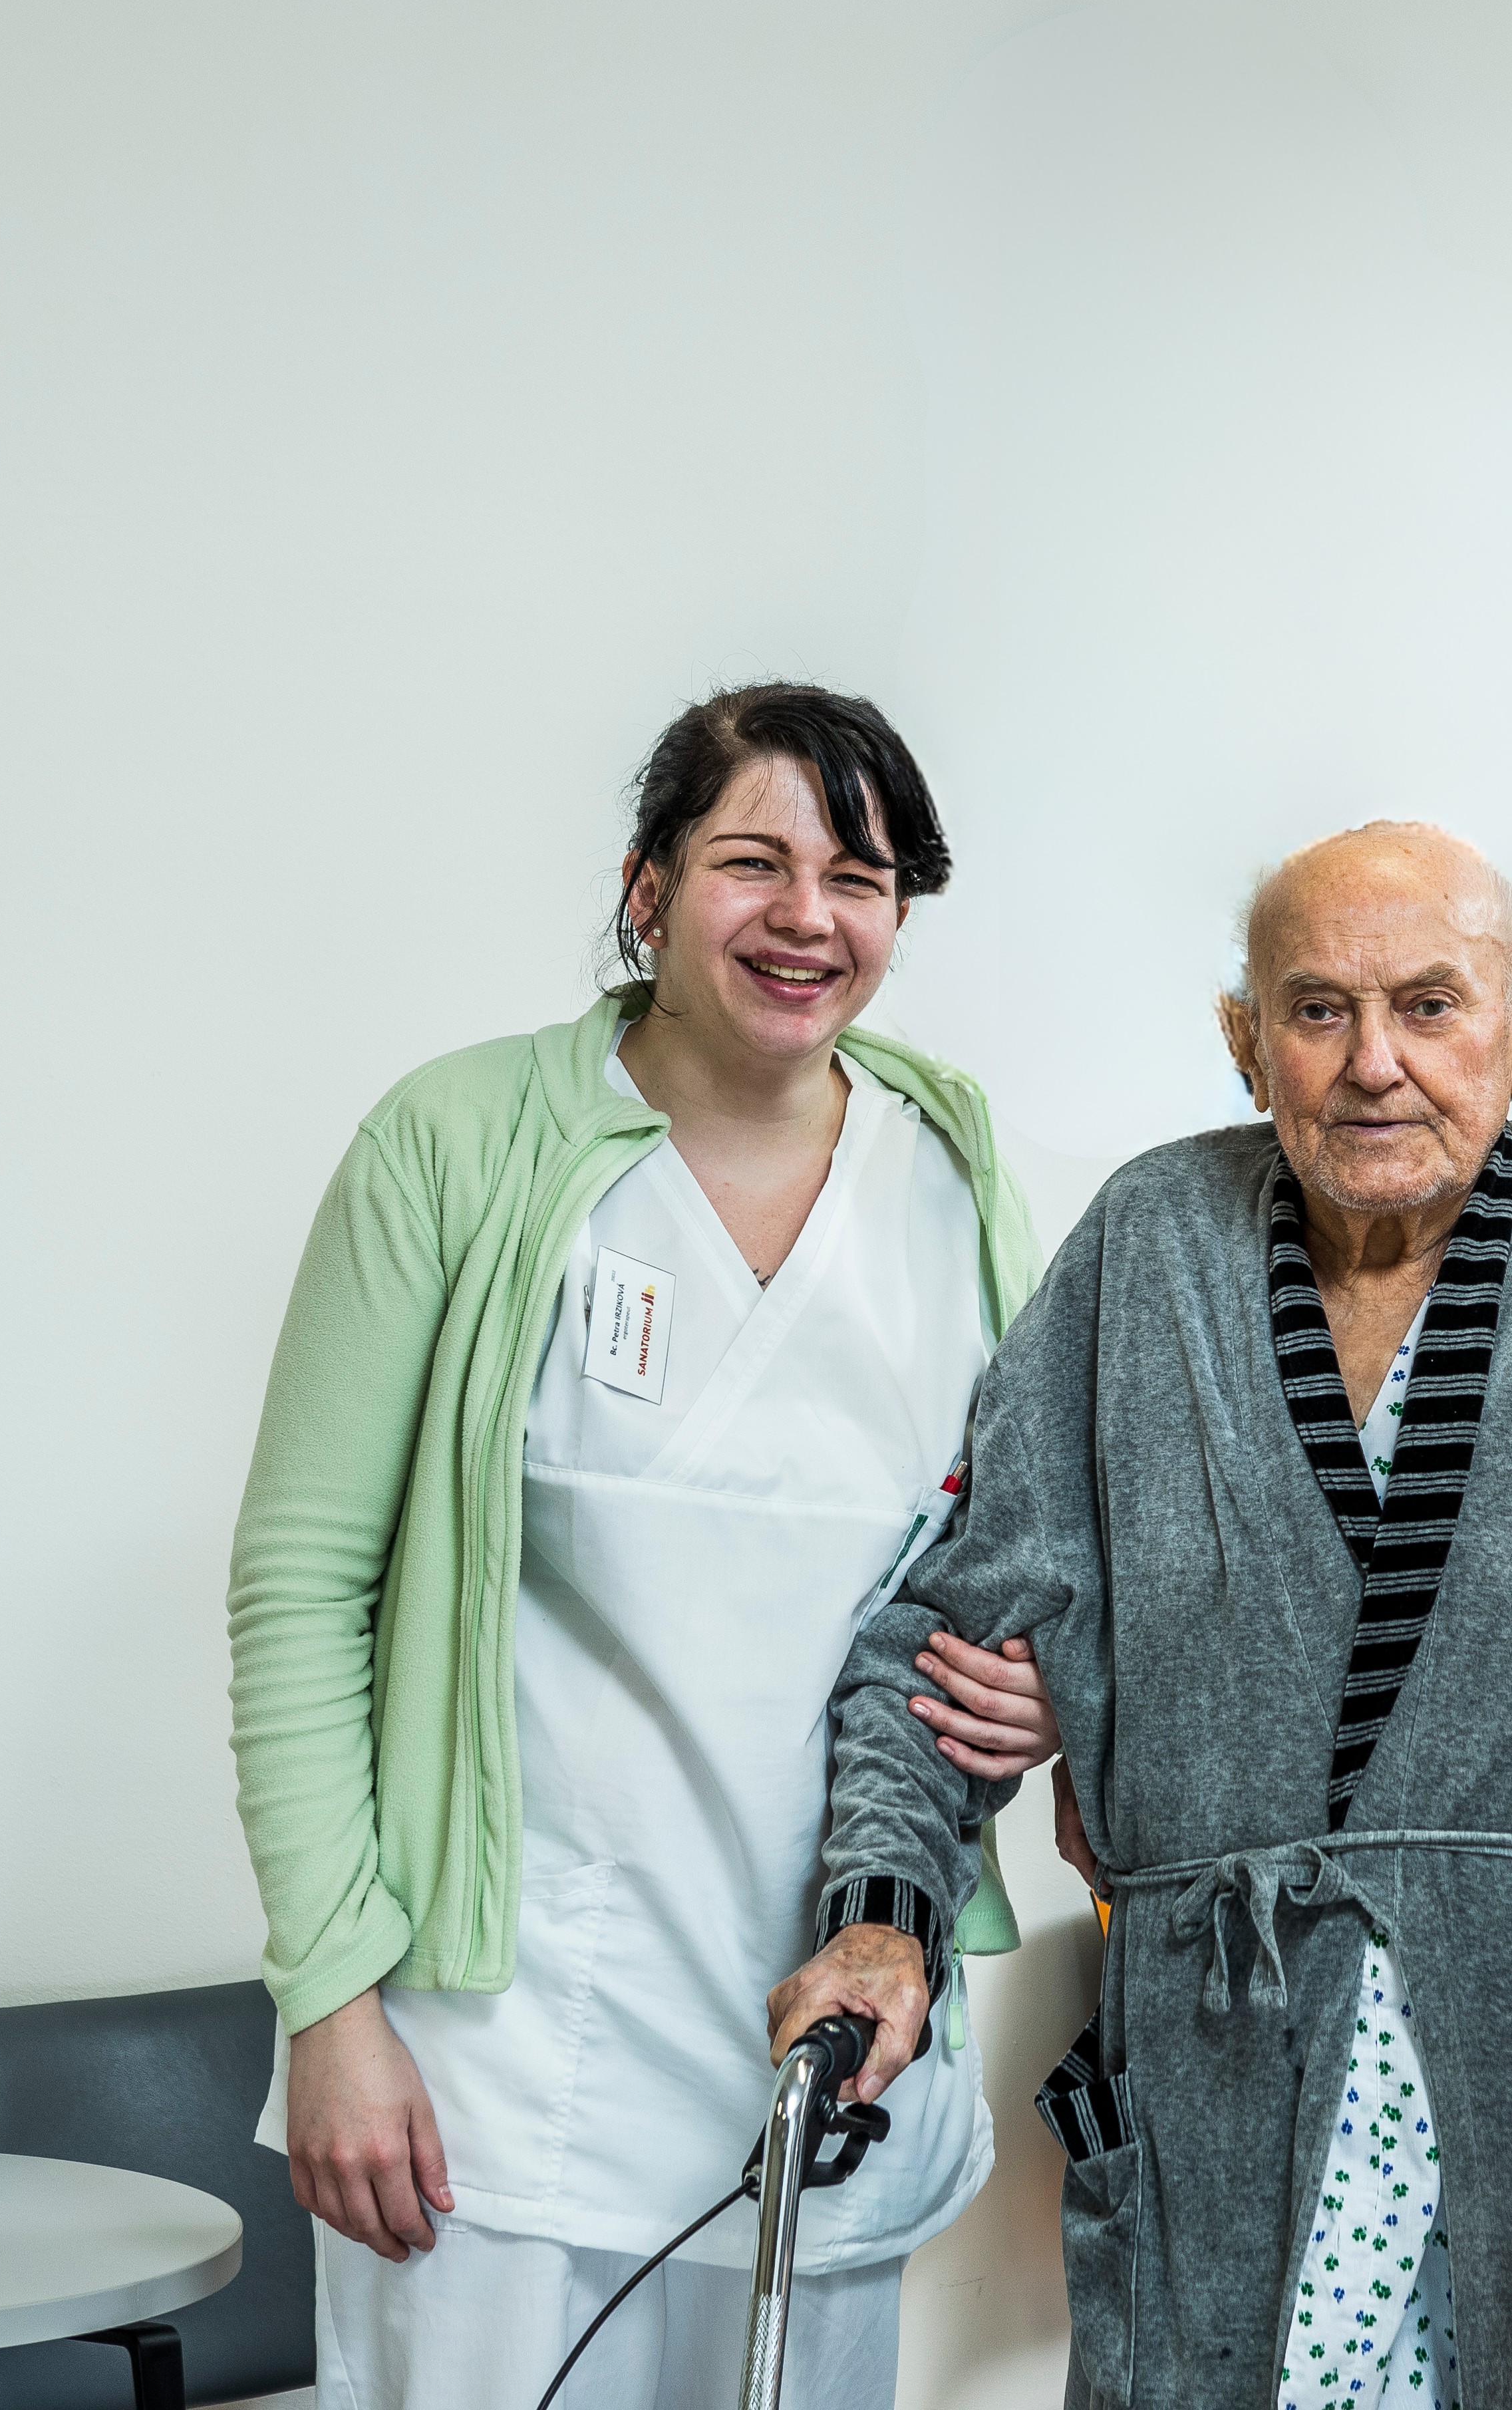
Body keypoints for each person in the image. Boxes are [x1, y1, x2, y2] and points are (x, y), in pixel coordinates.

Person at [762, 821, 1512, 2410]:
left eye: (1431, 1005)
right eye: (1318, 1010)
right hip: (1216, 2103)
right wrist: (880, 1916)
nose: (1375, 1062)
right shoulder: (1149, 1247)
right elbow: (931, 1646)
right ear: (1247, 1043)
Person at [226, 684, 1054, 2407]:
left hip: (832, 2043)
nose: (808, 916)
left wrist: (1042, 1694)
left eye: (861, 878)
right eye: (755, 861)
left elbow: (1011, 1571)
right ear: (650, 884)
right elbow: (301, 1588)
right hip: (495, 2064)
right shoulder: (459, 1144)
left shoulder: (950, 1176)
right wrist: (332, 2008)